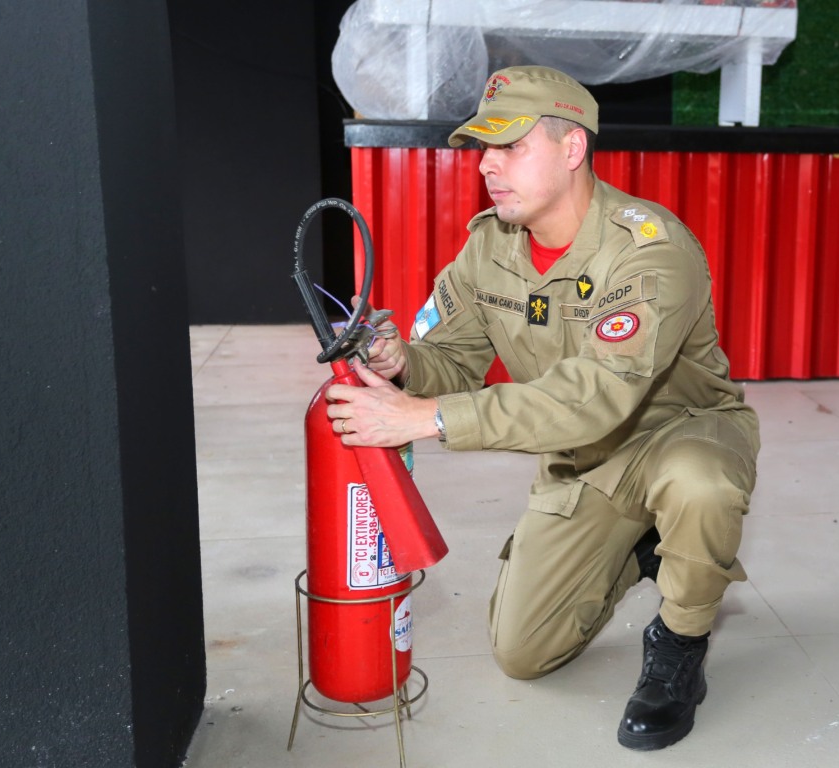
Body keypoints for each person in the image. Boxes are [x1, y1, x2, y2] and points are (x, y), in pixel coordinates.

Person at [325, 65, 759, 751]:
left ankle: (680, 641)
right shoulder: (488, 248)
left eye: (511, 146)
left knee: (698, 485)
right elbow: (454, 359)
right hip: (585, 459)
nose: (488, 167)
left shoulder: (649, 252)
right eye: (482, 149)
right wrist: (402, 361)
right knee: (522, 652)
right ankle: (644, 543)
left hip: (679, 432)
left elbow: (594, 396)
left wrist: (430, 419)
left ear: (572, 149)